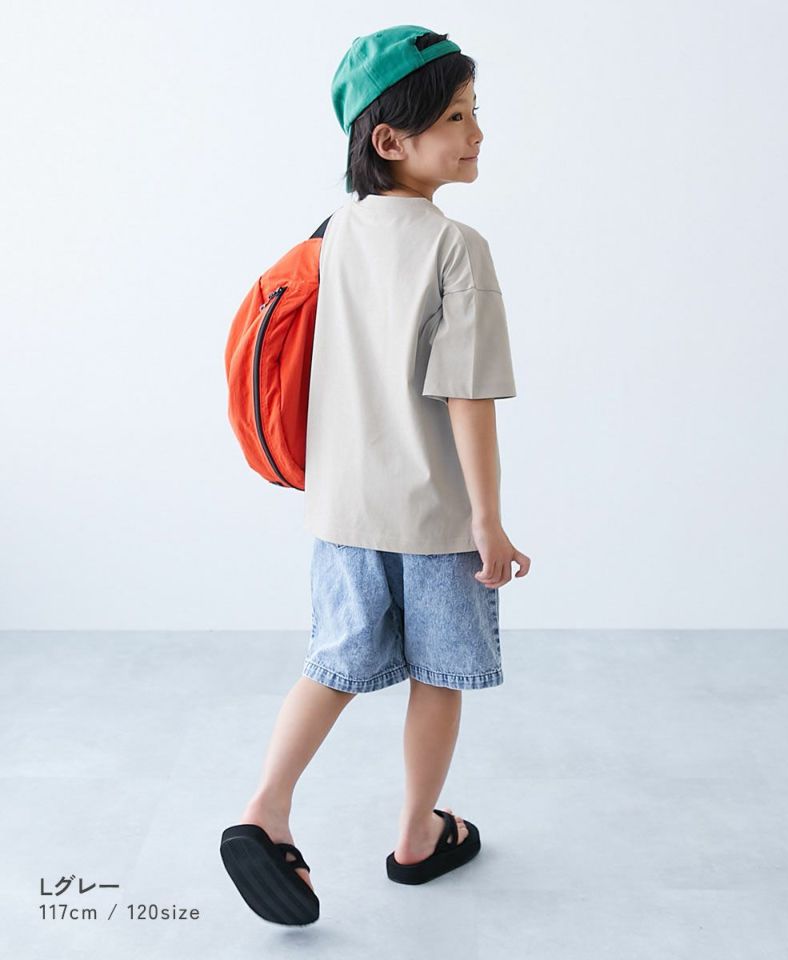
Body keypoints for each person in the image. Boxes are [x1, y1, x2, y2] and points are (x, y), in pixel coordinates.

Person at [219, 24, 531, 925]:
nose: (476, 133)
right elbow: (468, 395)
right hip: (434, 518)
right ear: (390, 140)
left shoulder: (330, 239)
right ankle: (418, 836)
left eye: (475, 112)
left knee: (334, 665)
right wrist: (488, 520)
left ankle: (266, 809)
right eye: (456, 117)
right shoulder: (456, 247)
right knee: (438, 675)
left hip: (341, 510)